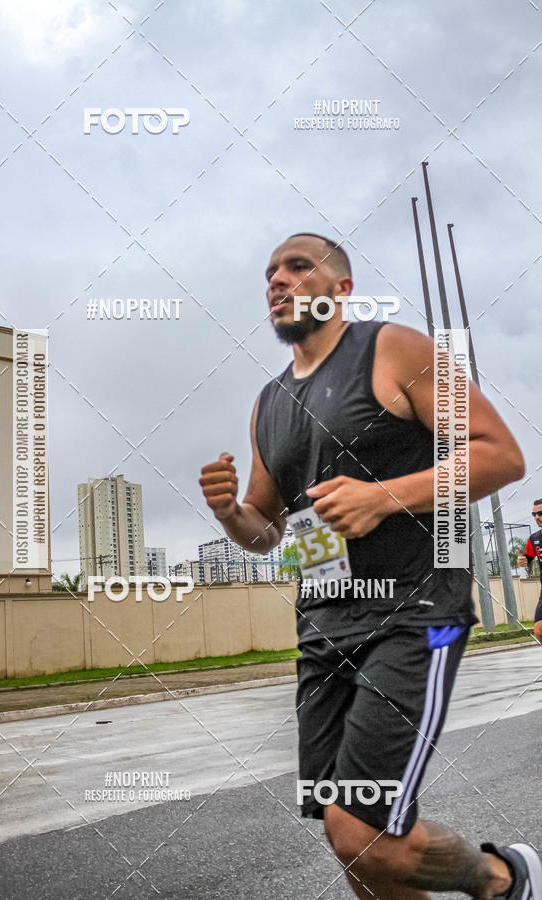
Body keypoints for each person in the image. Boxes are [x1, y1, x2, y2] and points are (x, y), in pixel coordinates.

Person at [199, 233, 541, 899]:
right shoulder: (269, 403)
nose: (279, 280)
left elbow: (501, 455)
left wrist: (384, 497)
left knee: (364, 830)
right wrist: (228, 514)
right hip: (324, 628)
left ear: (341, 289)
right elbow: (266, 531)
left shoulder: (394, 349)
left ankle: (506, 878)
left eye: (299, 267)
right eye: (270, 272)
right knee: (348, 838)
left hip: (417, 615)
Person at [517, 499, 542, 643]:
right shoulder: (534, 539)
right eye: (534, 514)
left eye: (540, 513)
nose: (537, 517)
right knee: (539, 630)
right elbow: (528, 558)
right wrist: (523, 560)